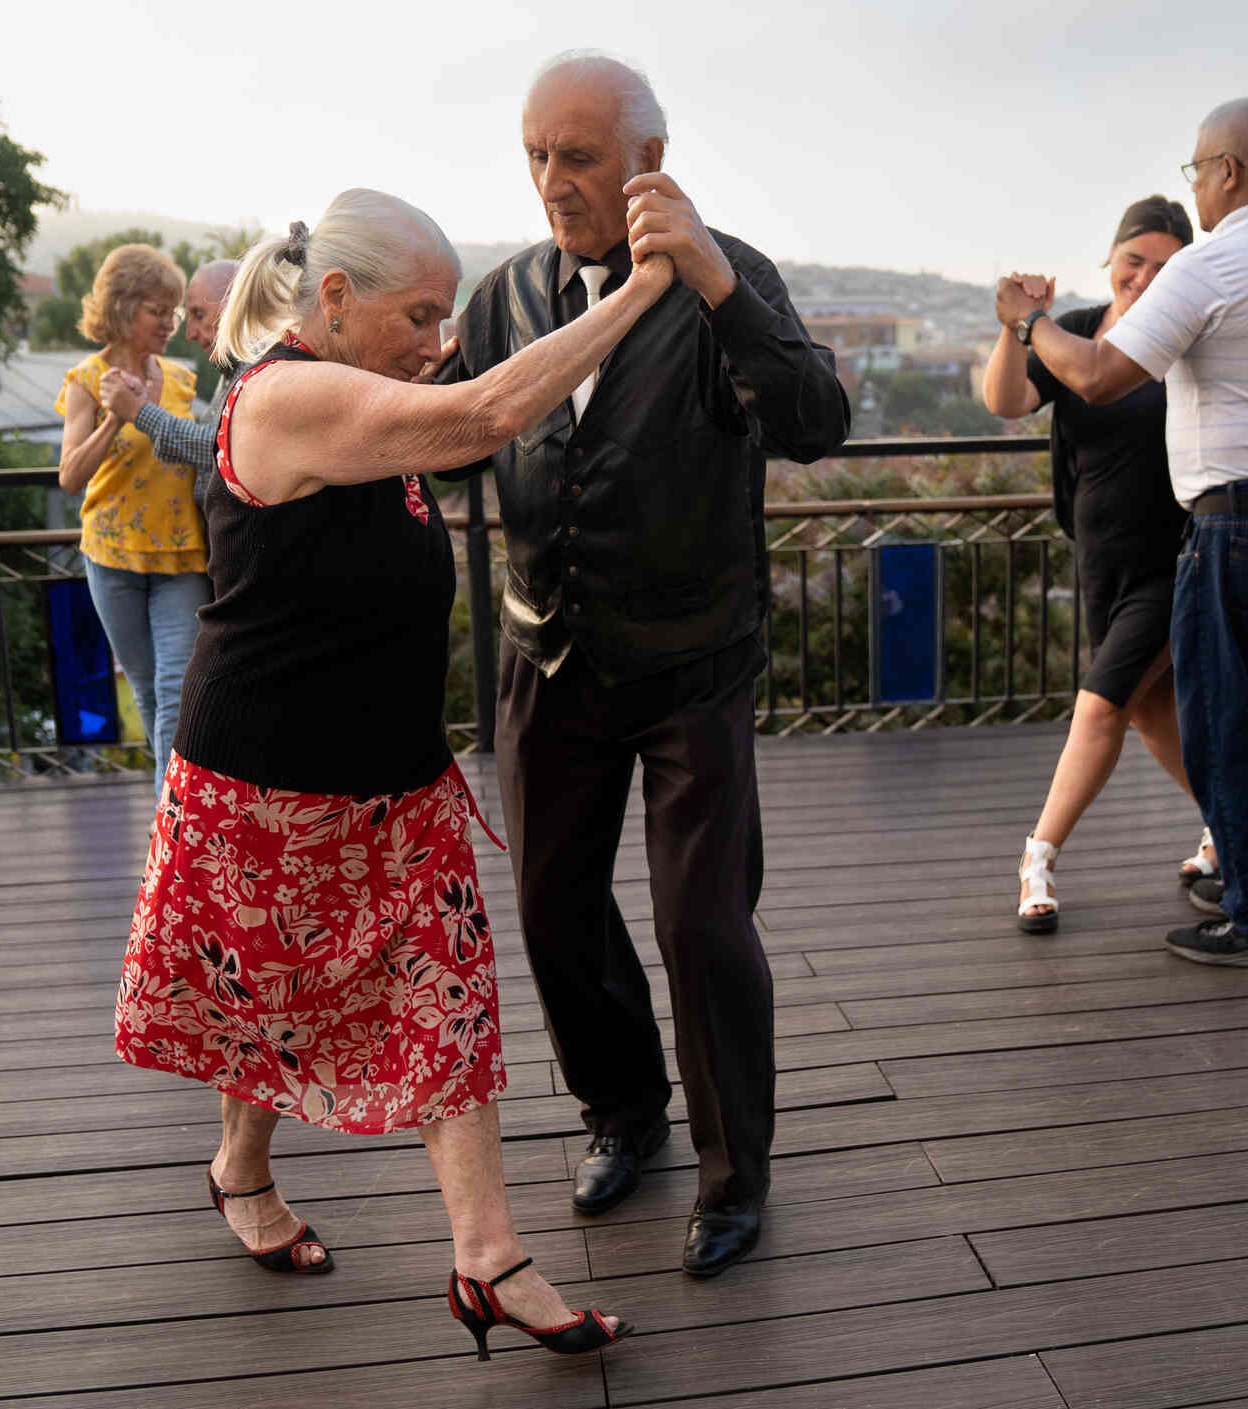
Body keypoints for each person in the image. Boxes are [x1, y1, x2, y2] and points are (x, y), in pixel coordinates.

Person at [113, 188, 674, 1357]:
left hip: (390, 780)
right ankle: (241, 1167)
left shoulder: (367, 390)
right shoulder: (286, 394)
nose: (436, 340)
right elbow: (484, 413)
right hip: (266, 783)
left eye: (445, 316)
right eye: (418, 315)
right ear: (334, 300)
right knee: (263, 998)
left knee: (446, 1004)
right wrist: (643, 289)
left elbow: (453, 402)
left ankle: (487, 1256)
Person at [439, 51, 849, 1278]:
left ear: (646, 163)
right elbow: (447, 431)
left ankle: (734, 1177)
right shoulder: (505, 291)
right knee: (552, 904)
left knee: (702, 922)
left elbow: (816, 424)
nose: (552, 180)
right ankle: (623, 1108)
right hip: (543, 652)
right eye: (535, 153)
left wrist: (722, 284)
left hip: (690, 663)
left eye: (576, 155)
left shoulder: (730, 280)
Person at [994, 97, 1248, 970]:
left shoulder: (1211, 265)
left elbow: (1095, 374)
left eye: (1197, 170)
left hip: (1240, 528)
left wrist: (1024, 322)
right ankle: (1246, 881)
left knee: (1221, 725)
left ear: (1228, 171)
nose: (1196, 186)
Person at [982, 197, 1213, 934]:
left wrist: (1028, 323)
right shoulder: (1075, 329)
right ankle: (1233, 830)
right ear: (1110, 260)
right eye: (1134, 261)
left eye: (1166, 266)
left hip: (1175, 559)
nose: (1145, 278)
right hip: (1100, 562)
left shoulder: (1184, 339)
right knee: (1150, 712)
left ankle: (1038, 854)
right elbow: (1008, 399)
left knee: (1100, 703)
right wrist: (1015, 329)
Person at [55, 245, 210, 799]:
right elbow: (70, 477)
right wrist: (115, 421)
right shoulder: (86, 379)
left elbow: (204, 450)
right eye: (157, 311)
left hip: (182, 556)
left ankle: (174, 820)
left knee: (176, 689)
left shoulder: (183, 380)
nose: (171, 324)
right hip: (112, 557)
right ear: (122, 309)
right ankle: (173, 814)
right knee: (145, 688)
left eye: (175, 312)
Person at [98, 259, 241, 488]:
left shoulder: (255, 372)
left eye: (198, 314)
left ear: (235, 305)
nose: (187, 333)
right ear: (123, 312)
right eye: (157, 312)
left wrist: (138, 411)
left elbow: (226, 452)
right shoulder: (230, 369)